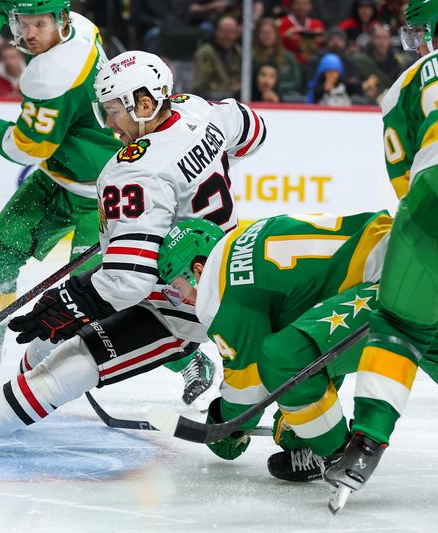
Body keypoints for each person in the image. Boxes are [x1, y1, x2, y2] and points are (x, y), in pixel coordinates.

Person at [0, 50, 267, 463]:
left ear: (145, 104)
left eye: (113, 112)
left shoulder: (135, 170)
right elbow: (254, 130)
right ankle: (7, 397)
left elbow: (127, 282)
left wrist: (75, 299)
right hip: (230, 273)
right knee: (52, 336)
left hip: (180, 303)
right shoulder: (198, 110)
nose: (109, 125)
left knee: (78, 354)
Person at [0, 0, 123, 388]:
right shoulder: (82, 25)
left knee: (103, 293)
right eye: (22, 23)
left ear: (61, 20)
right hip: (58, 178)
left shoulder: (52, 74)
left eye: (40, 24)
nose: (29, 34)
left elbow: (28, 148)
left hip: (104, 191)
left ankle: (184, 360)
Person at [155, 212, 391, 485]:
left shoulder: (222, 291)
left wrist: (224, 426)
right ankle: (308, 435)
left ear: (197, 269)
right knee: (298, 349)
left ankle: (338, 454)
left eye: (178, 288)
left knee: (282, 358)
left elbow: (247, 392)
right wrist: (296, 423)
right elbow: (312, 321)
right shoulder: (247, 235)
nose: (183, 298)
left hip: (388, 287)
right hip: (404, 249)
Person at [323, 0, 438, 510]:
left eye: (419, 35)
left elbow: (405, 182)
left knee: (400, 326)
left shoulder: (405, 85)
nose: (415, 46)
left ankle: (365, 445)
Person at [192, 15, 243, 100]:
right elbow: (201, 86)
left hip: (235, 100)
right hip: (210, 101)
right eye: (223, 31)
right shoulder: (205, 53)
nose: (227, 35)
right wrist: (231, 90)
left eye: (231, 32)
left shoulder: (239, 52)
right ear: (216, 31)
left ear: (237, 33)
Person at [252, 17, 302, 100]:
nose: (266, 35)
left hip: (284, 98)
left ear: (276, 34)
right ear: (258, 35)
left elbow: (296, 82)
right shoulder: (251, 58)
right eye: (263, 32)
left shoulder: (288, 57)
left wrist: (277, 89)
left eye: (270, 32)